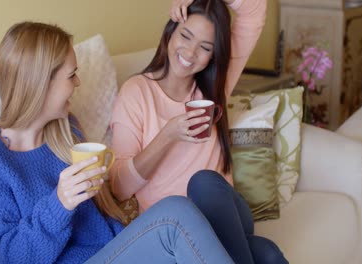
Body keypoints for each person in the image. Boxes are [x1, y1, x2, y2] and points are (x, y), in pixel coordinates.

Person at [0, 21, 235, 264]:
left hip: (114, 248)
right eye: (71, 75)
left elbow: (103, 214)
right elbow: (6, 258)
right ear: (40, 83)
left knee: (256, 247)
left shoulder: (66, 131)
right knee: (176, 213)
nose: (78, 82)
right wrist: (59, 203)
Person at [109, 0, 289, 263]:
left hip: (225, 212)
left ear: (214, 56)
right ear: (170, 32)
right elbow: (118, 187)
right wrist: (168, 135)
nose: (191, 53)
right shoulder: (136, 92)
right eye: (185, 35)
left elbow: (254, 8)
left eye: (205, 47)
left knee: (203, 181)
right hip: (176, 228)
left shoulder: (214, 87)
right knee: (268, 254)